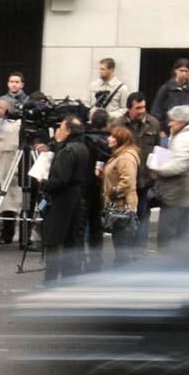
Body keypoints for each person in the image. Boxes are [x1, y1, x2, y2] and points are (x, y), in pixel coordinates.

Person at [38, 115, 90, 281]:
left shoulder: (67, 151)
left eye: (60, 128)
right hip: (77, 198)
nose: (57, 131)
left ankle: (51, 278)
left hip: (62, 200)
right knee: (72, 240)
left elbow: (60, 179)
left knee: (54, 240)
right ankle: (71, 278)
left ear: (67, 131)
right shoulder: (82, 148)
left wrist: (44, 184)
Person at [148, 105, 189, 248]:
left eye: (172, 120)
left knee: (167, 233)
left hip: (177, 194)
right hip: (188, 193)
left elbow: (180, 165)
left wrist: (158, 169)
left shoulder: (184, 139)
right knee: (182, 231)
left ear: (182, 121)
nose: (169, 124)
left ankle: (166, 261)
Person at [119, 94, 161, 251]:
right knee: (125, 217)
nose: (142, 111)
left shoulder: (153, 124)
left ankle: (139, 251)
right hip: (126, 181)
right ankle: (124, 251)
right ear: (129, 108)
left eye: (143, 107)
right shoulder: (119, 125)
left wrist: (156, 175)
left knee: (143, 215)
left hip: (145, 181)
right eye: (138, 108)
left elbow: (158, 151)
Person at [0, 97, 30, 250]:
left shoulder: (16, 126)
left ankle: (9, 233)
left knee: (11, 202)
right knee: (0, 201)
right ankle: (3, 232)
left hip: (11, 167)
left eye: (1, 107)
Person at [101, 124, 141, 265]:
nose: (109, 139)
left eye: (112, 136)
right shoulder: (119, 155)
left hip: (122, 205)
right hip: (119, 204)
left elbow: (127, 182)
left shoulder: (125, 158)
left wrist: (113, 192)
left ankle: (122, 271)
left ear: (120, 139)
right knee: (120, 241)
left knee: (122, 243)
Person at [81, 109, 112, 270]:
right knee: (96, 225)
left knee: (81, 224)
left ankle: (78, 259)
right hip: (100, 187)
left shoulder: (83, 139)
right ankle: (95, 260)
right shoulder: (111, 142)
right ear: (107, 124)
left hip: (84, 186)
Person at [150, 58, 189, 127]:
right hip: (169, 129)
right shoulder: (166, 88)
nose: (184, 73)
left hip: (188, 128)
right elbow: (157, 110)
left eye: (186, 71)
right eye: (181, 70)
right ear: (175, 70)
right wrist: (161, 131)